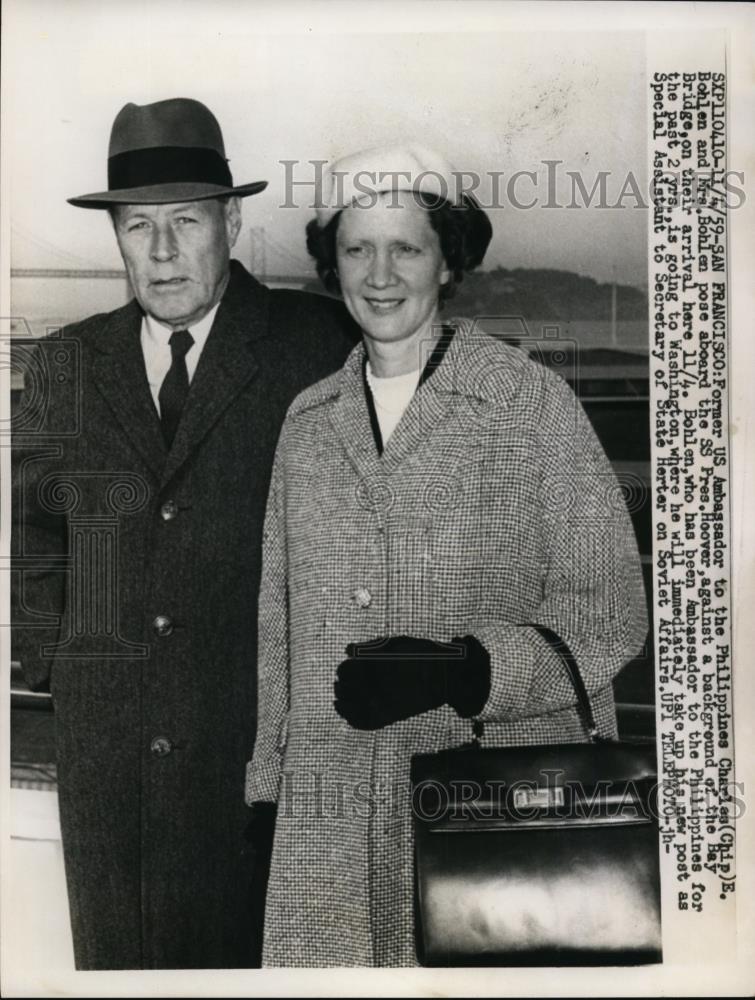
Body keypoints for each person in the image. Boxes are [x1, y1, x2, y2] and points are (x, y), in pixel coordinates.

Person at [245, 144, 649, 967]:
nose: (379, 274)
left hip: (486, 833)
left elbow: (610, 613)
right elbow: (277, 627)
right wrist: (266, 789)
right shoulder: (307, 421)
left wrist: (467, 670)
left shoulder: (528, 403)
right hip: (324, 834)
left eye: (406, 247)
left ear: (447, 262)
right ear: (331, 263)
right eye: (356, 248)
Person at [11, 98, 358, 970]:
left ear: (231, 222)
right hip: (108, 758)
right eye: (138, 226)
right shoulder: (62, 363)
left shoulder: (316, 344)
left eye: (186, 222)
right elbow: (37, 534)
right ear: (117, 237)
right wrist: (58, 670)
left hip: (258, 749)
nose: (161, 251)